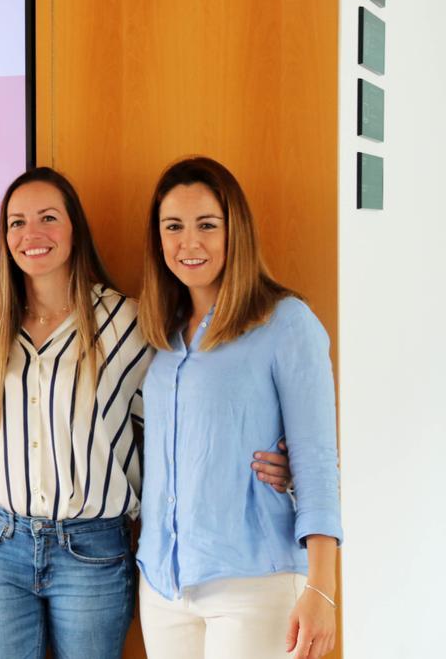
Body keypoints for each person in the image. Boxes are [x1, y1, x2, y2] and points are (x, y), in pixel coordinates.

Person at [136, 157, 342, 659]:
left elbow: (316, 462)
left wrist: (322, 589)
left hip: (255, 585)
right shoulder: (162, 334)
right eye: (173, 227)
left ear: (236, 231)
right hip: (164, 585)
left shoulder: (287, 324)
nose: (189, 243)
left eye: (207, 225)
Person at [0, 167, 150, 659]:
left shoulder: (125, 322)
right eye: (16, 222)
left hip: (91, 549)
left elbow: (173, 428)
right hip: (1, 542)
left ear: (75, 229)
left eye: (48, 218)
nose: (32, 234)